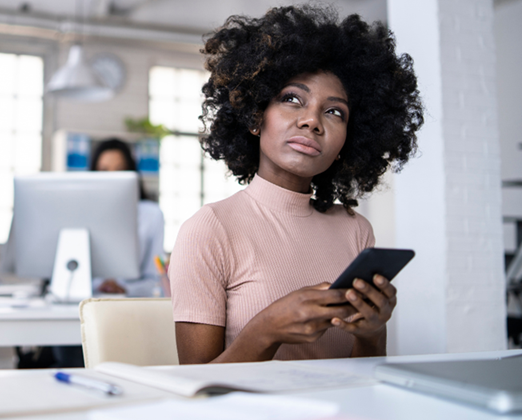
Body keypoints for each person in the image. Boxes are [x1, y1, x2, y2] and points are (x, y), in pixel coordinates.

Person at [170, 5, 423, 364]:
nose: (312, 121)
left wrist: (371, 332)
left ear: (345, 144)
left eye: (334, 111)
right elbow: (196, 387)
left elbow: (365, 375)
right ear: (255, 117)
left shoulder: (355, 231)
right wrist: (266, 330)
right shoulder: (210, 230)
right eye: (292, 99)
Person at [89, 138, 166, 297]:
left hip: (131, 304)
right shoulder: (83, 213)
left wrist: (126, 289)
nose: (112, 178)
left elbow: (155, 279)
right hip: (88, 301)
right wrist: (99, 285)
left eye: (120, 170)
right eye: (104, 171)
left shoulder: (152, 215)